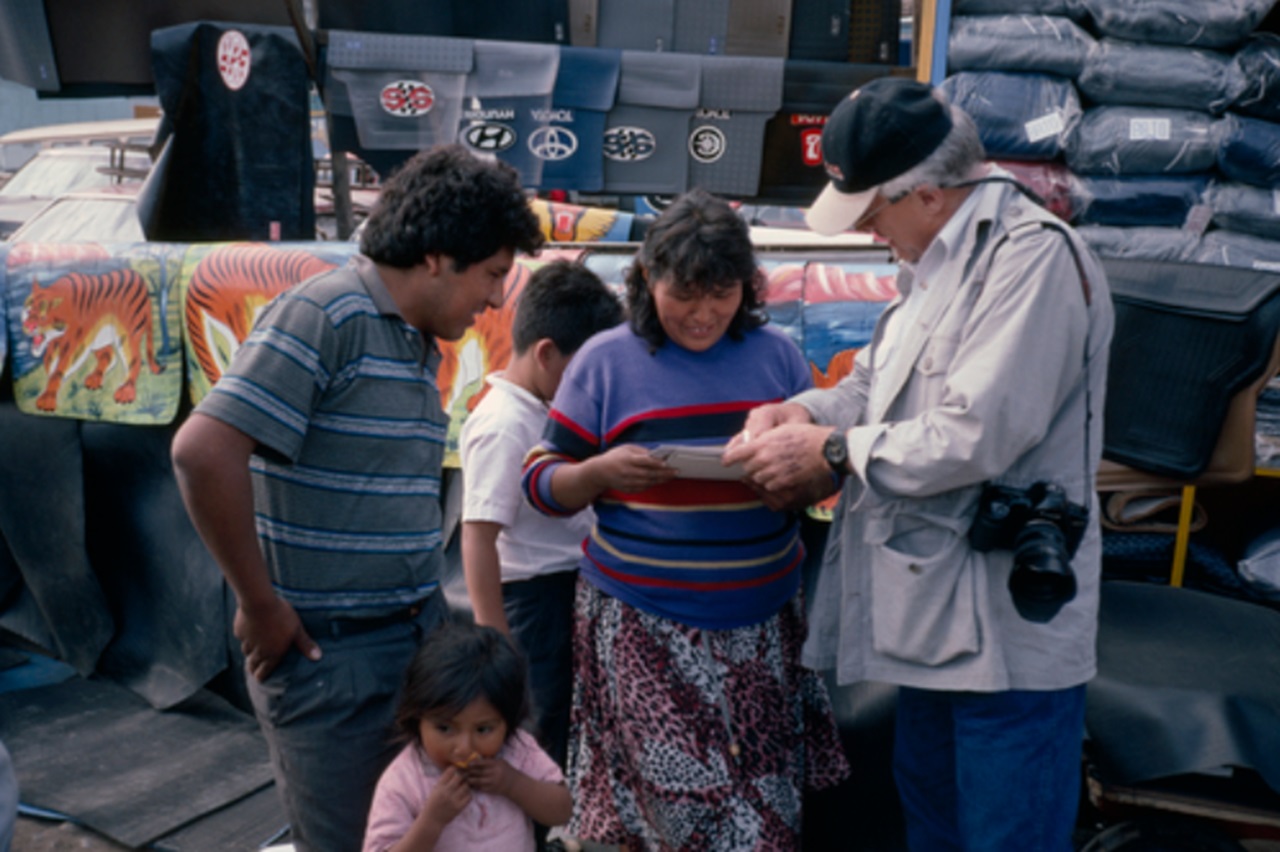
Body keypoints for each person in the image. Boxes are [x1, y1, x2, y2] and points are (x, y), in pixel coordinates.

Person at [724, 77, 1115, 851]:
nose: (871, 233)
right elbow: (877, 382)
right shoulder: (933, 264)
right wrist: (803, 412)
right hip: (934, 621)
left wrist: (833, 451)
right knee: (932, 822)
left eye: (873, 214)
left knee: (1005, 834)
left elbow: (976, 433)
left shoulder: (1029, 260)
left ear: (930, 195)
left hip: (1006, 634)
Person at [170, 144, 544, 852]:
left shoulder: (414, 340)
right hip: (328, 661)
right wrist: (260, 604)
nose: (497, 299)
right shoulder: (328, 314)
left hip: (412, 642)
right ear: (438, 256)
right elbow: (202, 452)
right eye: (493, 275)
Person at [521, 188, 850, 851]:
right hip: (643, 625)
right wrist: (601, 473)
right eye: (685, 295)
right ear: (647, 278)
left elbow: (819, 472)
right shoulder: (605, 361)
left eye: (721, 294)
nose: (703, 314)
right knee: (678, 810)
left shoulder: (778, 356)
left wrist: (792, 479)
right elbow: (542, 480)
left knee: (765, 800)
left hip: (762, 622)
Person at [460, 258, 624, 774]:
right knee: (535, 731)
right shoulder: (503, 424)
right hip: (531, 604)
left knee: (562, 727)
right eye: (583, 374)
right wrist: (496, 639)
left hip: (565, 592)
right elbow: (478, 538)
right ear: (547, 354)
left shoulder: (545, 411)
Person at [362, 620, 572, 852]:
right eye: (445, 728)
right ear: (417, 717)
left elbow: (562, 811)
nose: (464, 748)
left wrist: (512, 783)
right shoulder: (405, 780)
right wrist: (432, 820)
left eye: (483, 730)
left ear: (508, 722)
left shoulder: (516, 751)